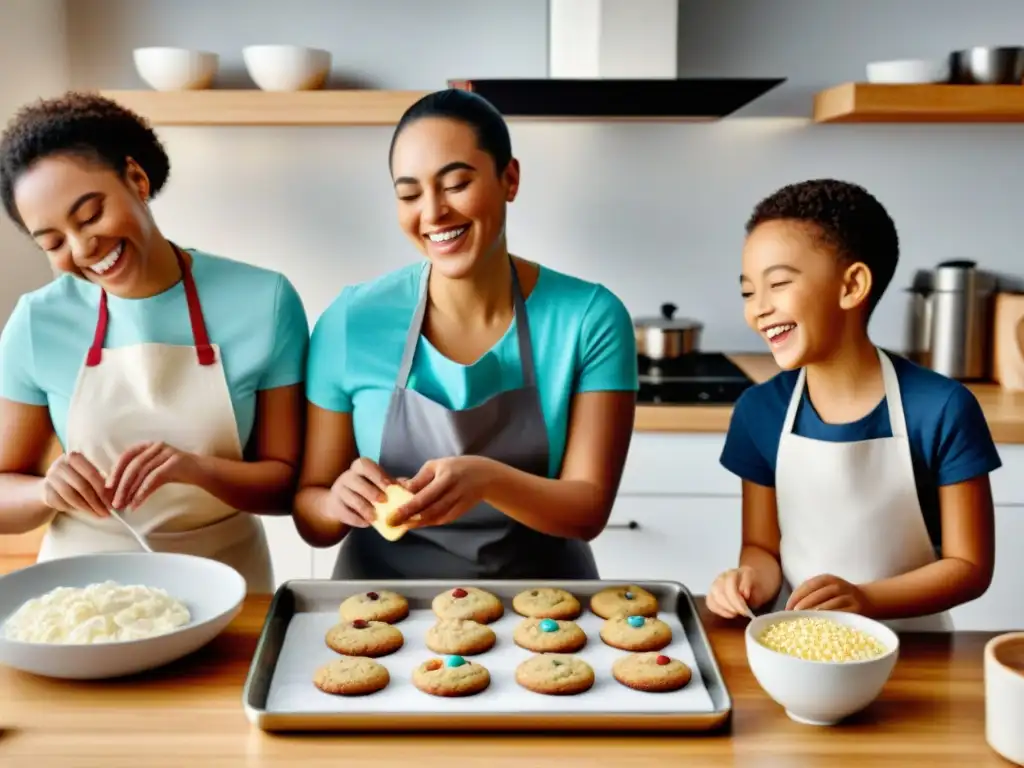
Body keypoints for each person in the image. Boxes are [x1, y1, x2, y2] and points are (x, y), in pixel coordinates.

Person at [293, 88, 638, 579]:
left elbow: (588, 510)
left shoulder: (589, 318)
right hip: (379, 608)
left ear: (509, 179)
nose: (432, 213)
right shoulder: (351, 320)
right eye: (409, 194)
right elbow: (311, 511)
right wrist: (334, 502)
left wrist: (487, 479)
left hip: (541, 611)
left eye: (455, 183)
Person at [0, 92, 309, 593]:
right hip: (83, 594)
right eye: (53, 242)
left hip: (230, 585)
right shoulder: (36, 322)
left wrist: (196, 469)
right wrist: (46, 492)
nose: (82, 249)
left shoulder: (265, 301)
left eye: (90, 214)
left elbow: (285, 484)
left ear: (137, 180)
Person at [706, 179, 1001, 631]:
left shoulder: (942, 409)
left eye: (779, 284)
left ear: (853, 285)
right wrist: (748, 582)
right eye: (748, 292)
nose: (758, 309)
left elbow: (970, 567)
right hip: (798, 645)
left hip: (917, 652)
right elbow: (762, 549)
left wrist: (865, 598)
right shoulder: (759, 411)